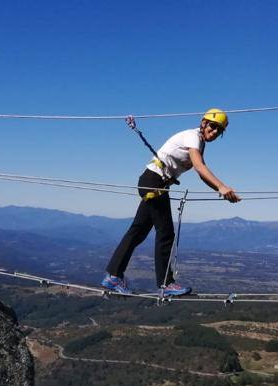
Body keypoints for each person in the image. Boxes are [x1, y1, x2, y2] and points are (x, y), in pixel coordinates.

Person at [102, 109, 241, 297]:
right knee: (165, 233)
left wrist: (219, 189)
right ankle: (166, 284)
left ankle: (114, 276)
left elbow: (201, 172)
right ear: (203, 123)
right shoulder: (193, 137)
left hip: (152, 181)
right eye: (213, 126)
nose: (215, 132)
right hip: (155, 182)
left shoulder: (198, 143)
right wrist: (222, 187)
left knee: (137, 231)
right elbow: (200, 168)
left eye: (219, 131)